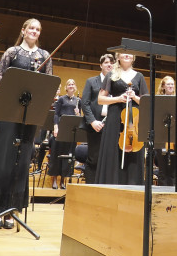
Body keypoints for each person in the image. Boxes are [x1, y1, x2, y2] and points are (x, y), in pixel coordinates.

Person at [0, 18, 53, 229]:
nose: (34, 31)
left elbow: (48, 84)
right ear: (23, 30)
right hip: (9, 112)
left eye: (38, 29)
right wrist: (19, 82)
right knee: (3, 160)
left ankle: (12, 211)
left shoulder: (45, 56)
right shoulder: (12, 52)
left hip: (29, 117)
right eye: (31, 27)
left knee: (21, 163)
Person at [95, 52, 148, 185]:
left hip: (133, 119)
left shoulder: (139, 76)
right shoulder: (111, 74)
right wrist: (118, 98)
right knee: (113, 152)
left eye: (130, 53)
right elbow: (100, 100)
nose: (127, 55)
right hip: (114, 117)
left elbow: (146, 102)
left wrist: (135, 97)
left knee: (134, 153)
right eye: (124, 53)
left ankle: (132, 186)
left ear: (133, 57)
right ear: (118, 57)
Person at [80, 54, 114, 184]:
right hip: (95, 126)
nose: (109, 64)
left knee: (109, 160)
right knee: (94, 160)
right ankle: (91, 190)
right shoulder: (91, 81)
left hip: (112, 126)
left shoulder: (116, 83)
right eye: (106, 62)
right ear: (101, 65)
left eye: (111, 62)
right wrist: (93, 121)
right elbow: (85, 103)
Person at [48, 79, 80, 189]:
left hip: (71, 131)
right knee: (57, 153)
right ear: (66, 87)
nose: (71, 86)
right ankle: (54, 180)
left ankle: (63, 180)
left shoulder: (77, 100)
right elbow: (56, 114)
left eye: (73, 84)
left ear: (75, 87)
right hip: (61, 128)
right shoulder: (61, 99)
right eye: (69, 84)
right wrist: (55, 127)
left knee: (68, 155)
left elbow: (78, 116)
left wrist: (78, 113)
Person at [154, 75, 177, 186]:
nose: (171, 86)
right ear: (163, 86)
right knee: (162, 170)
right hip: (161, 137)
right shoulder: (158, 100)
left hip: (174, 137)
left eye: (172, 84)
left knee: (173, 171)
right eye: (168, 84)